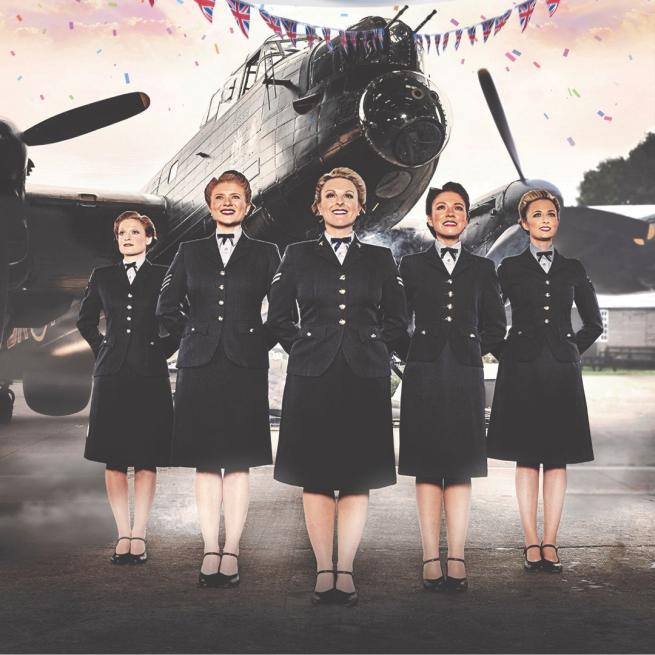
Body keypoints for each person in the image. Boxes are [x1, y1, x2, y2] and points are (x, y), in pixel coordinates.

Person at [267, 167, 408, 606]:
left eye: (349, 195)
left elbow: (398, 321)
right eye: (332, 195)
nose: (340, 201)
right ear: (319, 205)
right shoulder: (296, 255)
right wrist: (305, 348)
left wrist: (376, 350)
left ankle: (344, 569)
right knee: (315, 477)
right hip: (312, 378)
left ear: (360, 206)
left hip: (364, 378)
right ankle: (322, 569)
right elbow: (278, 318)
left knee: (356, 477)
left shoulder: (381, 260)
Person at [156, 170, 280, 588]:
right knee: (207, 464)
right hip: (199, 365)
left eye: (237, 197)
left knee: (239, 463)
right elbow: (166, 307)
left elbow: (281, 315)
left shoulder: (267, 253)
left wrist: (253, 343)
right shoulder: (189, 251)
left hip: (245, 366)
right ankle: (211, 547)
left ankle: (233, 550)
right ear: (210, 207)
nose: (228, 203)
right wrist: (192, 336)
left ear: (248, 206)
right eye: (220, 197)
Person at [396, 182, 506, 592]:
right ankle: (430, 556)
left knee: (460, 469)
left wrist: (472, 349)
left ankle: (456, 556)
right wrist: (416, 351)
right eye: (441, 207)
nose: (449, 213)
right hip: (422, 374)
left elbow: (495, 326)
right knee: (427, 469)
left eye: (457, 208)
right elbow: (394, 323)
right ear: (429, 217)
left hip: (464, 375)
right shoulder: (409, 267)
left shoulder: (482, 269)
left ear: (465, 218)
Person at [487, 189, 603, 573]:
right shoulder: (509, 269)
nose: (544, 219)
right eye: (536, 214)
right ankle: (530, 541)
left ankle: (550, 542)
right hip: (521, 371)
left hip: (560, 372)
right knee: (526, 457)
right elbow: (488, 321)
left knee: (556, 459)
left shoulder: (574, 268)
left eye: (550, 213)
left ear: (557, 220)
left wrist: (569, 349)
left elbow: (593, 323)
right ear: (524, 223)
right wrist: (508, 352)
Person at [77, 211, 178, 565]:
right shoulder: (102, 276)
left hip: (150, 375)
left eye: (135, 232)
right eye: (122, 233)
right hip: (111, 375)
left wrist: (160, 351)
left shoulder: (165, 275)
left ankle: (141, 533)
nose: (128, 238)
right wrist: (103, 347)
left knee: (147, 458)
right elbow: (85, 319)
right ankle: (123, 533)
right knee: (115, 457)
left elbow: (178, 320)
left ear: (149, 238)